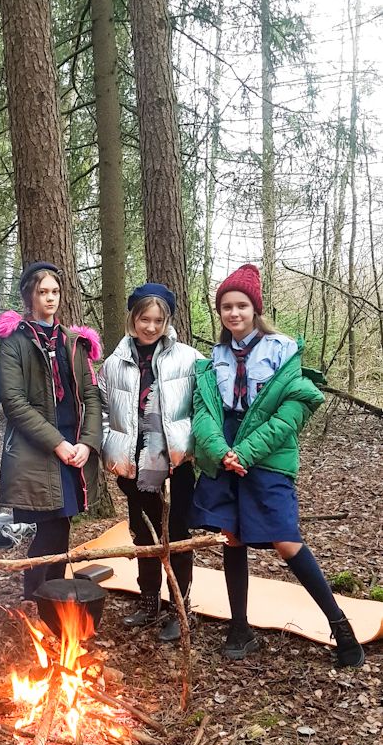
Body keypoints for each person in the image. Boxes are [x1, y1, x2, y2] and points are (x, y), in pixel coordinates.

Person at [191, 263, 365, 667]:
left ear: (256, 308)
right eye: (226, 307)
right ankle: (240, 627)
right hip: (224, 451)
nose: (234, 313)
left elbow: (293, 411)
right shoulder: (215, 357)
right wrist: (221, 451)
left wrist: (246, 452)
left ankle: (340, 625)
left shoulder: (282, 350)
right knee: (231, 537)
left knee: (286, 539)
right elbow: (203, 410)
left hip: (267, 453)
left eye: (241, 305)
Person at [0, 262, 102, 600]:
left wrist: (87, 443)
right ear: (30, 296)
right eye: (43, 292)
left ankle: (52, 597)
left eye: (55, 291)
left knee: (62, 525)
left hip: (74, 447)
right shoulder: (15, 342)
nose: (50, 298)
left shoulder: (74, 342)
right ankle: (37, 596)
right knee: (49, 528)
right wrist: (56, 443)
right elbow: (13, 402)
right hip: (36, 451)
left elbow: (91, 395)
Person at [98, 283, 200, 641]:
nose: (151, 327)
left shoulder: (189, 359)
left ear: (167, 321)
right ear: (133, 318)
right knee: (143, 532)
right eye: (145, 319)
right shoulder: (114, 363)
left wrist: (184, 447)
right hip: (133, 463)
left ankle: (180, 607)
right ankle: (148, 600)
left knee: (178, 534)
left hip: (176, 462)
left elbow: (202, 408)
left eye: (159, 320)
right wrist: (112, 448)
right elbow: (104, 412)